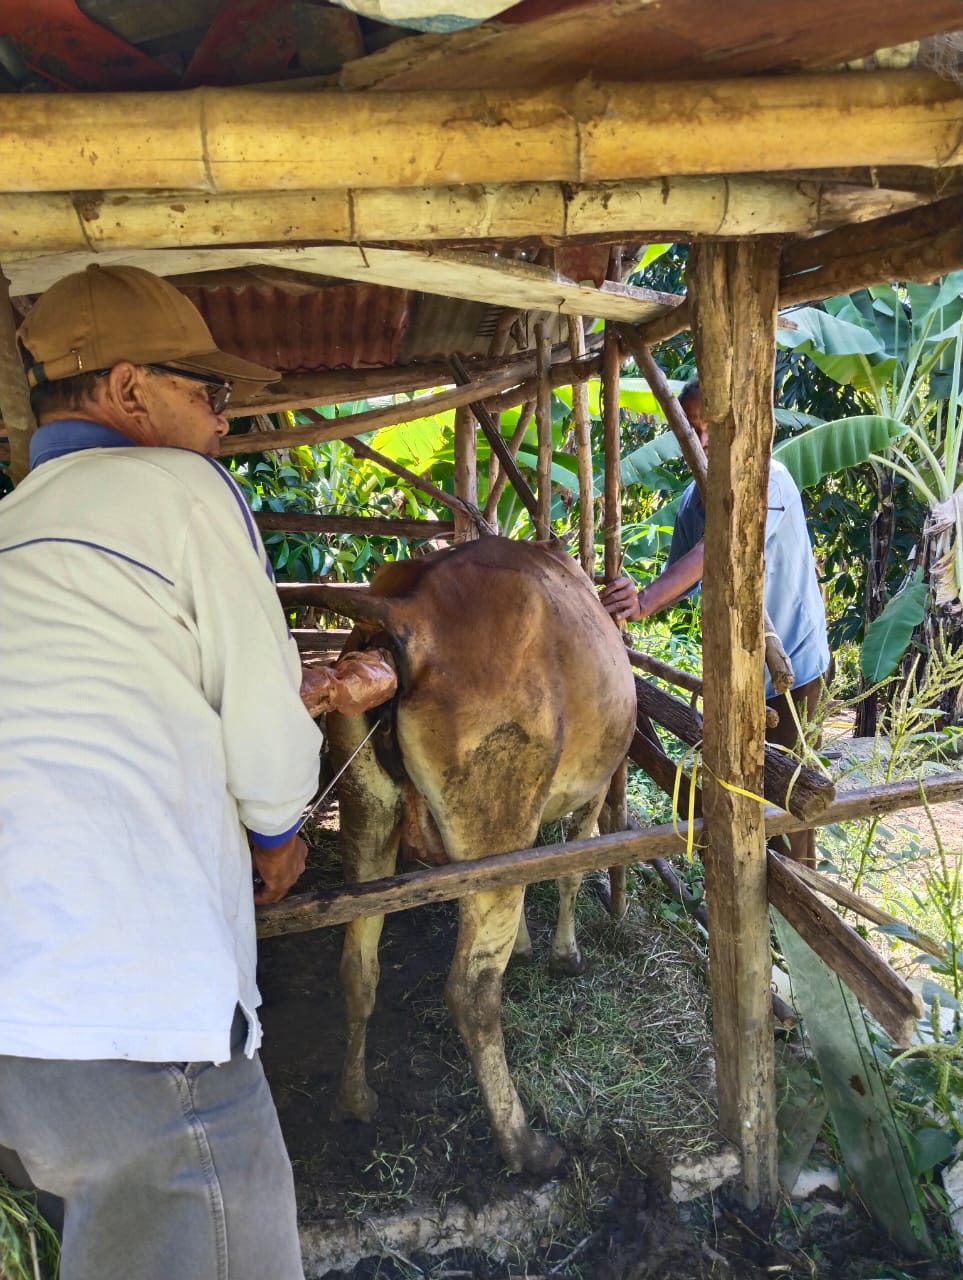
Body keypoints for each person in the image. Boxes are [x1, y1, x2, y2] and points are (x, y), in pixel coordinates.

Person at [0, 264, 325, 1280]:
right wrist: (278, 832)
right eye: (209, 392)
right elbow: (269, 729)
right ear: (129, 388)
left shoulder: (11, 530)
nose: (225, 422)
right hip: (135, 1019)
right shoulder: (182, 491)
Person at [600, 374, 831, 865]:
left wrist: (641, 602)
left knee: (792, 799)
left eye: (712, 427)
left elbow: (718, 549)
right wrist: (632, 596)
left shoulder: (770, 477)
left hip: (796, 669)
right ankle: (754, 890)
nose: (702, 439)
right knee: (743, 791)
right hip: (739, 676)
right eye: (692, 428)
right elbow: (678, 576)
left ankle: (798, 909)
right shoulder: (692, 501)